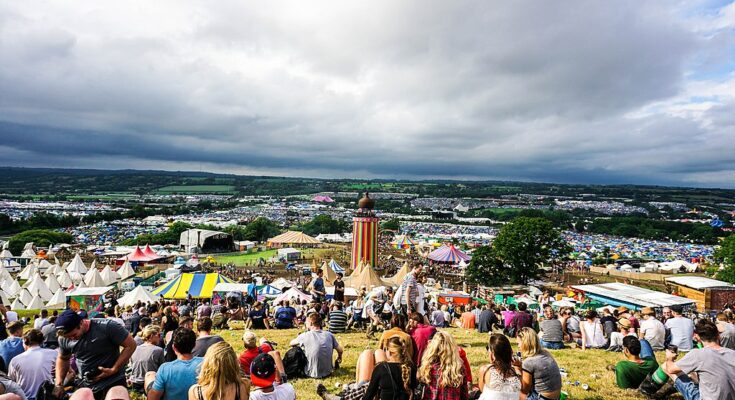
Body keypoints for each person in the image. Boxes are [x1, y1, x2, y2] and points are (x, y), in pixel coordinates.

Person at [53, 309, 136, 400]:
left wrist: (114, 369)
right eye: (68, 337)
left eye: (74, 335)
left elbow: (131, 345)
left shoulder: (107, 327)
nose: (71, 339)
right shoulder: (64, 338)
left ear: (81, 323)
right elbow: (63, 358)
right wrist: (59, 384)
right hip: (87, 382)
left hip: (113, 380)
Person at [663, 319, 735, 400]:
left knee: (666, 366)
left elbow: (671, 369)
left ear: (697, 337)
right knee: (694, 372)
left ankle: (652, 390)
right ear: (718, 335)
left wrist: (669, 358)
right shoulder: (732, 353)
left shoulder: (698, 354)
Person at [147, 328, 203, 400]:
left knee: (150, 375)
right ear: (194, 345)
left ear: (174, 347)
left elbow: (153, 398)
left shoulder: (165, 368)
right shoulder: (205, 363)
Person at [513, 328, 562, 400]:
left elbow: (524, 390)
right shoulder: (546, 353)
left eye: (518, 343)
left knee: (515, 392)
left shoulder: (529, 362)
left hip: (542, 397)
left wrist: (517, 368)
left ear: (525, 343)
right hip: (556, 396)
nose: (518, 346)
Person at [7, 329, 57, 400]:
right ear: (42, 341)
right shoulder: (54, 353)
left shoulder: (15, 360)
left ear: (24, 341)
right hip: (48, 396)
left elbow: (10, 383)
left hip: (25, 397)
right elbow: (70, 373)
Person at [289, 313, 343, 378]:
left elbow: (291, 343)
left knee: (296, 350)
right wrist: (339, 357)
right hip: (328, 372)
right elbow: (340, 350)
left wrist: (299, 338)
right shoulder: (329, 334)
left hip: (310, 373)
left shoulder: (305, 335)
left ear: (311, 323)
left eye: (306, 322)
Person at [418, 331, 468, 400]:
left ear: (433, 348)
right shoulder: (459, 368)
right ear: (452, 348)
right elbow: (464, 395)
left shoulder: (427, 367)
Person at [478, 334, 521, 400]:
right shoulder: (518, 373)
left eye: (488, 348)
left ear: (493, 354)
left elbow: (482, 390)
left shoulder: (485, 370)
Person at [129, 325, 164, 393]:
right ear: (151, 336)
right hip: (150, 385)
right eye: (159, 335)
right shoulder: (158, 350)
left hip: (135, 383)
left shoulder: (135, 348)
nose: (160, 338)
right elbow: (162, 371)